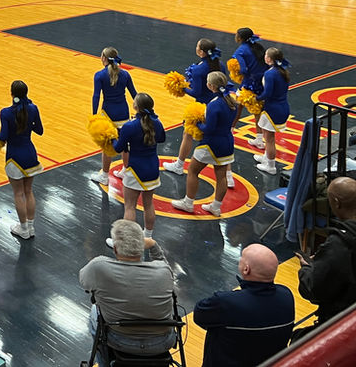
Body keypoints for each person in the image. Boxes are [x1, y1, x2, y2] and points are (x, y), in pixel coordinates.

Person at [79, 220, 177, 363]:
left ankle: (104, 363)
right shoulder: (163, 271)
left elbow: (84, 282)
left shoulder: (98, 266)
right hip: (162, 341)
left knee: (94, 311)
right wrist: (154, 246)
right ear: (141, 247)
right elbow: (164, 265)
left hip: (120, 339)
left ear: (115, 249)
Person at [194, 244, 294, 367]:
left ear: (246, 269)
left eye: (241, 257)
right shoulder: (287, 295)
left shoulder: (225, 302)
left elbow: (199, 314)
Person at [163, 39, 228, 185]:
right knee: (222, 136)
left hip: (203, 108)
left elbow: (197, 92)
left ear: (201, 52)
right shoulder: (220, 65)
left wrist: (182, 87)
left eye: (197, 46)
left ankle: (179, 165)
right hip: (221, 103)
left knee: (188, 133)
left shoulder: (200, 70)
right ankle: (228, 176)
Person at [172, 72, 236, 217]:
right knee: (221, 176)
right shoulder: (231, 101)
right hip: (227, 143)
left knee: (193, 171)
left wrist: (197, 123)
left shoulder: (214, 105)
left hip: (211, 144)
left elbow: (209, 129)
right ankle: (216, 207)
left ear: (211, 86)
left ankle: (188, 203)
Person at [298, 176, 356, 325]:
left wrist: (306, 269)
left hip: (340, 320)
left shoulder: (339, 244)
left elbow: (313, 288)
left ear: (336, 203)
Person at [110, 93, 165, 245]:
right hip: (152, 168)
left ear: (136, 107)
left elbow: (118, 148)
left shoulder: (129, 126)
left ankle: (126, 242)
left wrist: (113, 138)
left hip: (135, 170)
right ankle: (148, 237)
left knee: (130, 207)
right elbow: (162, 138)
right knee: (149, 205)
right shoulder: (157, 122)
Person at [0, 79, 43, 240]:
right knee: (29, 191)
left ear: (11, 93)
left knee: (18, 193)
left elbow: (3, 137)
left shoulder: (6, 112)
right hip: (30, 154)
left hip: (14, 157)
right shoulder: (33, 108)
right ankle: (31, 227)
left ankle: (22, 228)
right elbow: (39, 130)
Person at [91, 46, 137, 184]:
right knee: (125, 143)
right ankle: (126, 171)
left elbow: (96, 96)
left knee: (107, 145)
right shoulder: (125, 74)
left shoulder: (99, 75)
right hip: (123, 112)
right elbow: (134, 94)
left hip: (108, 114)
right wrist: (140, 111)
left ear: (104, 58)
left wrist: (94, 115)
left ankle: (104, 176)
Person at [253, 47, 291, 175]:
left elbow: (267, 93)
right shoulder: (283, 70)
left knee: (269, 139)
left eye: (266, 55)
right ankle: (266, 157)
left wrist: (255, 98)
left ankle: (271, 166)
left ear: (269, 59)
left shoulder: (270, 73)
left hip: (272, 109)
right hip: (282, 106)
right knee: (267, 136)